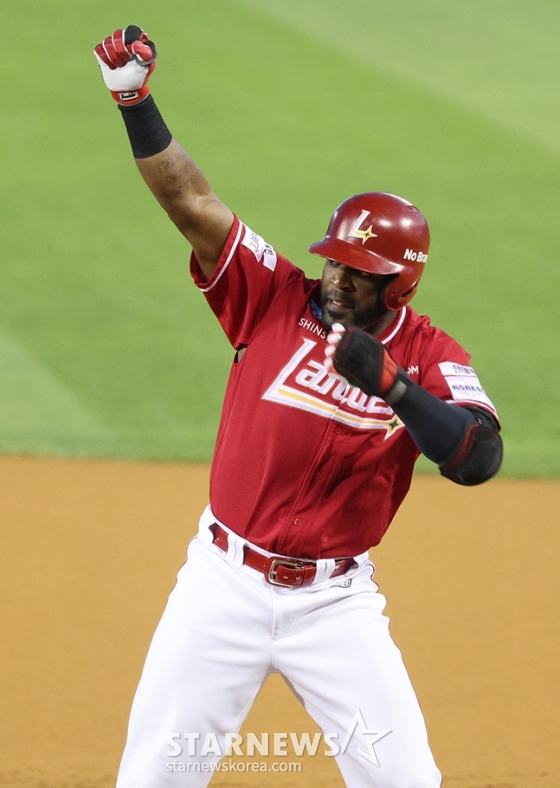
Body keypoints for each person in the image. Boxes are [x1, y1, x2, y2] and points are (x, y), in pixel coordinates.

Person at [94, 26, 503, 788]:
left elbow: (479, 457)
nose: (335, 279)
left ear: (400, 285)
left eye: (358, 272)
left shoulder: (428, 355)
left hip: (335, 605)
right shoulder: (275, 297)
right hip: (222, 586)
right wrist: (134, 100)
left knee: (408, 782)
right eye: (334, 261)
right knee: (154, 778)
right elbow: (192, 203)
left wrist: (395, 388)